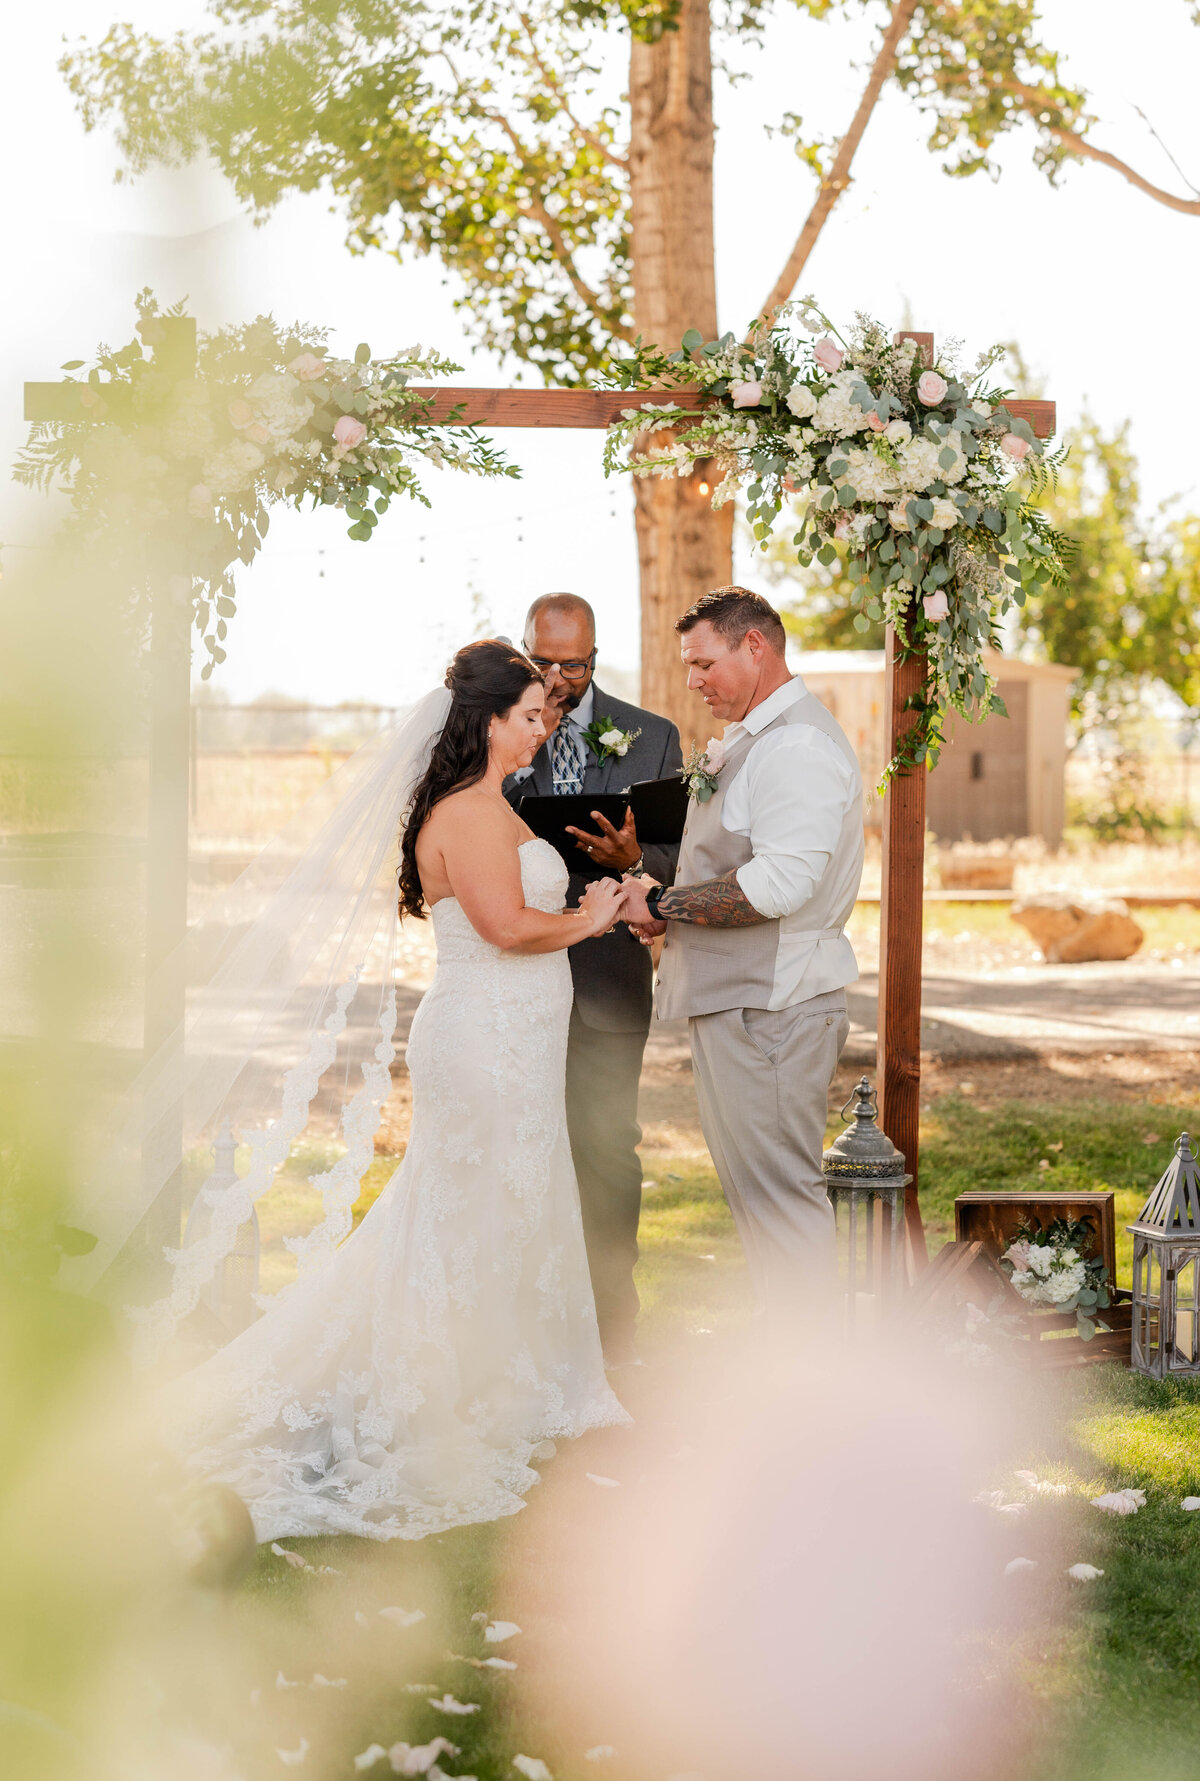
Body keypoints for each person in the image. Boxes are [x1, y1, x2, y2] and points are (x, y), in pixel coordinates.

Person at [166, 642, 630, 1541]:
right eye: (532, 713)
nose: (545, 726)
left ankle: (508, 1375)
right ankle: (447, 1388)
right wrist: (596, 914)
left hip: (513, 1040)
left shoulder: (492, 807)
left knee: (505, 1204)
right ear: (489, 719)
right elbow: (503, 927)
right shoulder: (469, 812)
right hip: (486, 1040)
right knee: (471, 1210)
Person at [620, 587, 865, 1310]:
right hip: (746, 1007)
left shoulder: (797, 746)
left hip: (776, 1010)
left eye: (704, 662)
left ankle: (819, 1384)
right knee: (759, 1204)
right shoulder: (760, 738)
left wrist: (664, 903)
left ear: (755, 645)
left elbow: (781, 883)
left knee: (783, 1204)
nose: (693, 680)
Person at [507, 594, 682, 1364]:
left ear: (594, 660)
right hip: (519, 970)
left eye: (569, 665)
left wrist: (633, 866)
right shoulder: (499, 731)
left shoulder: (652, 737)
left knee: (607, 1141)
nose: (555, 677)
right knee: (520, 1139)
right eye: (541, 661)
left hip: (609, 974)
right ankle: (526, 1310)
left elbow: (677, 864)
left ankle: (612, 1318)